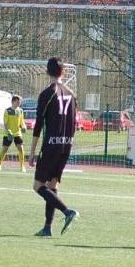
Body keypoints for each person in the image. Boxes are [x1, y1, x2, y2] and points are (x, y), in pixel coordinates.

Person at [29, 58, 79, 237]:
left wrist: (32, 152)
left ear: (47, 72)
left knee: (38, 186)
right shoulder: (71, 93)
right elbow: (74, 122)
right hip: (66, 145)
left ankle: (67, 212)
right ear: (63, 72)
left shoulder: (47, 94)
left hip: (51, 146)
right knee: (52, 185)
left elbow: (38, 125)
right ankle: (47, 228)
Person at [0, 95, 27, 172]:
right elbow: (5, 123)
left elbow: (22, 121)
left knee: (21, 149)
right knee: (4, 149)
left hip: (17, 133)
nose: (19, 103)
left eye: (20, 102)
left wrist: (24, 126)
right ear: (13, 101)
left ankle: (22, 166)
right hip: (8, 133)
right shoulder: (7, 111)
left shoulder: (20, 111)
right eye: (18, 101)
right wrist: (8, 131)